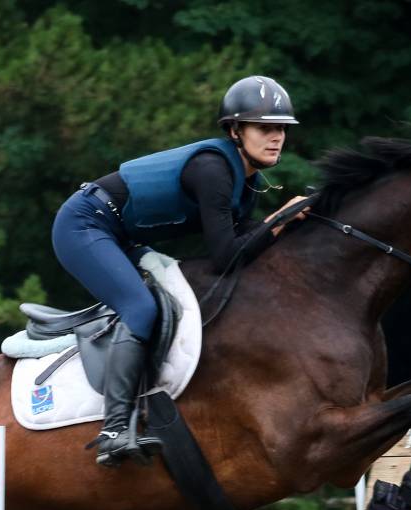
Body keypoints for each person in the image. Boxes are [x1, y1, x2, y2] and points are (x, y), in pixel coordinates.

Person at [51, 75, 310, 467]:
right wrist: (280, 220)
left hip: (121, 235)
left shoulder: (246, 183)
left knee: (175, 296)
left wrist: (284, 223)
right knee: (141, 308)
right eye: (265, 128)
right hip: (84, 225)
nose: (276, 137)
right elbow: (227, 255)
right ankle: (114, 429)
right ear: (236, 131)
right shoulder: (214, 171)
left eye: (281, 129)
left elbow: (243, 249)